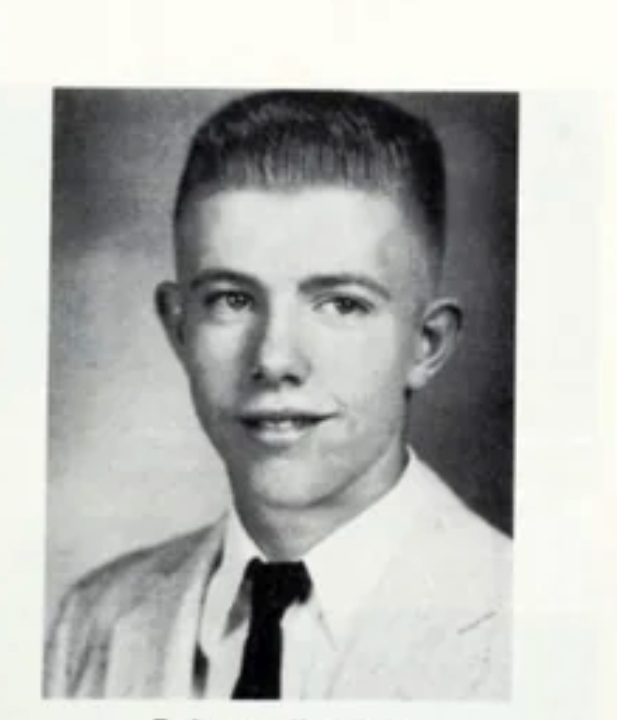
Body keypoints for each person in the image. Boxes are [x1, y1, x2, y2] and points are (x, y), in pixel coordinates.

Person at [44, 90, 512, 700]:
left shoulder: (524, 624)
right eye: (231, 300)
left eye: (341, 304)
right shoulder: (94, 622)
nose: (274, 359)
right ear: (178, 328)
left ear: (426, 345)